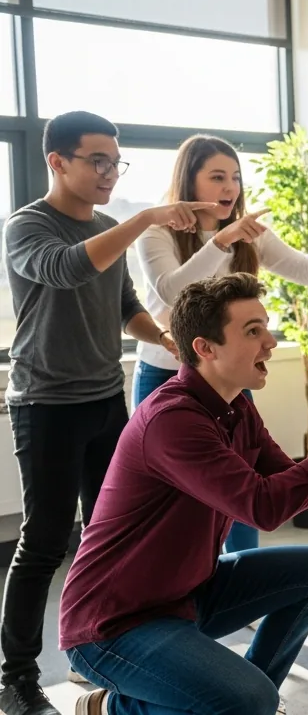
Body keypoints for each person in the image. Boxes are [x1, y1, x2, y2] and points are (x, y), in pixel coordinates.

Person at [59, 273, 308, 715]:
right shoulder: (172, 420)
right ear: (205, 348)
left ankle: (250, 702)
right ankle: (110, 708)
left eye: (266, 328)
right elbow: (263, 507)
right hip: (113, 624)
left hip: (187, 593)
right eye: (253, 331)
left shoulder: (237, 408)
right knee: (250, 700)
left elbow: (290, 484)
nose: (270, 342)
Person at [0, 112, 222, 715]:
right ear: (57, 161)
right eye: (97, 160)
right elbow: (67, 268)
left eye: (115, 162)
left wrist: (169, 340)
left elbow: (124, 305)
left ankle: (98, 652)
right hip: (46, 404)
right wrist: (146, 218)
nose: (108, 172)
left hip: (105, 399)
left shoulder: (105, 227)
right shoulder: (27, 226)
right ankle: (17, 679)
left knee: (115, 538)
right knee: (44, 542)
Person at [133, 134, 308, 555]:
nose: (230, 187)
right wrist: (220, 242)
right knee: (176, 506)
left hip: (228, 382)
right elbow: (173, 293)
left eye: (236, 177)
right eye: (217, 177)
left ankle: (243, 579)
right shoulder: (157, 232)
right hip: (164, 375)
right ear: (189, 180)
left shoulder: (249, 234)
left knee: (244, 494)